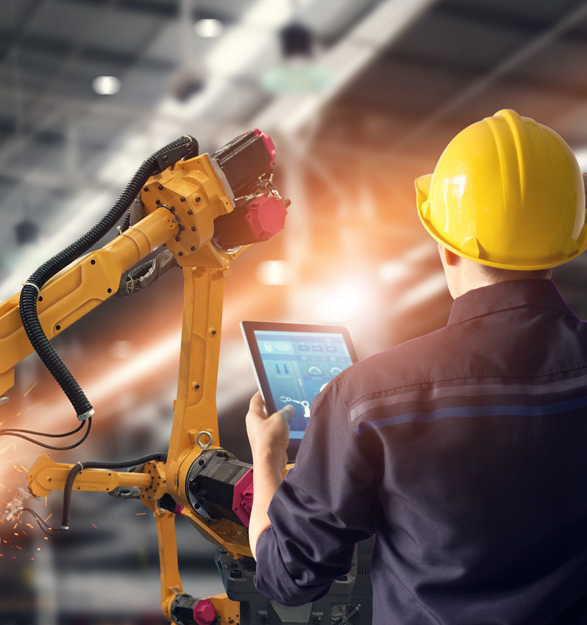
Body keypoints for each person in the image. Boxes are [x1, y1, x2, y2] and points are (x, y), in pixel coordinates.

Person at [245, 109, 587, 624]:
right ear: (567, 240)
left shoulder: (366, 397)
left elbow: (288, 575)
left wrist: (267, 459)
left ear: (447, 248)